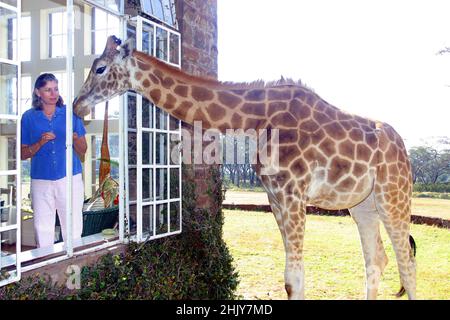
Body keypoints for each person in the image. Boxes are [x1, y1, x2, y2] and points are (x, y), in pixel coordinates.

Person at [21, 73, 87, 248]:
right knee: (42, 230)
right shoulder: (28, 117)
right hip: (41, 180)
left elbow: (83, 150)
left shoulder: (71, 114)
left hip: (69, 178)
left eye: (56, 89)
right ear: (38, 92)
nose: (53, 93)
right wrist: (40, 142)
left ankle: (73, 264)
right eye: (48, 90)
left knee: (72, 228)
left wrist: (74, 138)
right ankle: (46, 270)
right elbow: (22, 154)